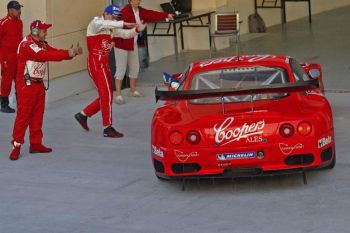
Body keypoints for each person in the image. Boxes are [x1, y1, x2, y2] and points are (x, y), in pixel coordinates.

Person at [9, 20, 83, 160]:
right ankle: (16, 146)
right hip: (26, 86)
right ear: (35, 32)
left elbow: (54, 52)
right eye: (44, 31)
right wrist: (67, 52)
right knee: (23, 117)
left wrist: (71, 53)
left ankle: (36, 144)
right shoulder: (27, 45)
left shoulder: (41, 44)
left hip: (37, 84)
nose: (46, 33)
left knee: (38, 115)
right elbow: (46, 56)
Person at [74, 4, 146, 138]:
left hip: (104, 63)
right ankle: (107, 127)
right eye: (111, 16)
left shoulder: (112, 28)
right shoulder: (96, 23)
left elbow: (126, 34)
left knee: (107, 95)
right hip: (95, 63)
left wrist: (137, 29)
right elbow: (104, 23)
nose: (113, 19)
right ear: (105, 14)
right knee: (106, 94)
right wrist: (122, 23)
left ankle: (83, 115)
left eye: (115, 17)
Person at [113, 0, 173, 104]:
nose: (138, 1)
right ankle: (118, 95)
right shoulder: (124, 12)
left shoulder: (140, 11)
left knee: (135, 67)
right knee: (121, 69)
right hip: (121, 44)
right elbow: (116, 27)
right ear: (130, 1)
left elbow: (151, 14)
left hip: (133, 43)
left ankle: (132, 91)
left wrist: (166, 14)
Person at [0, 1, 23, 113]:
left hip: (18, 57)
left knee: (20, 80)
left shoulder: (20, 22)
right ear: (10, 10)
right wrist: (3, 58)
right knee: (6, 80)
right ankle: (4, 104)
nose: (19, 11)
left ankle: (21, 102)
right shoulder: (3, 23)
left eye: (19, 8)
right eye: (17, 8)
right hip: (7, 58)